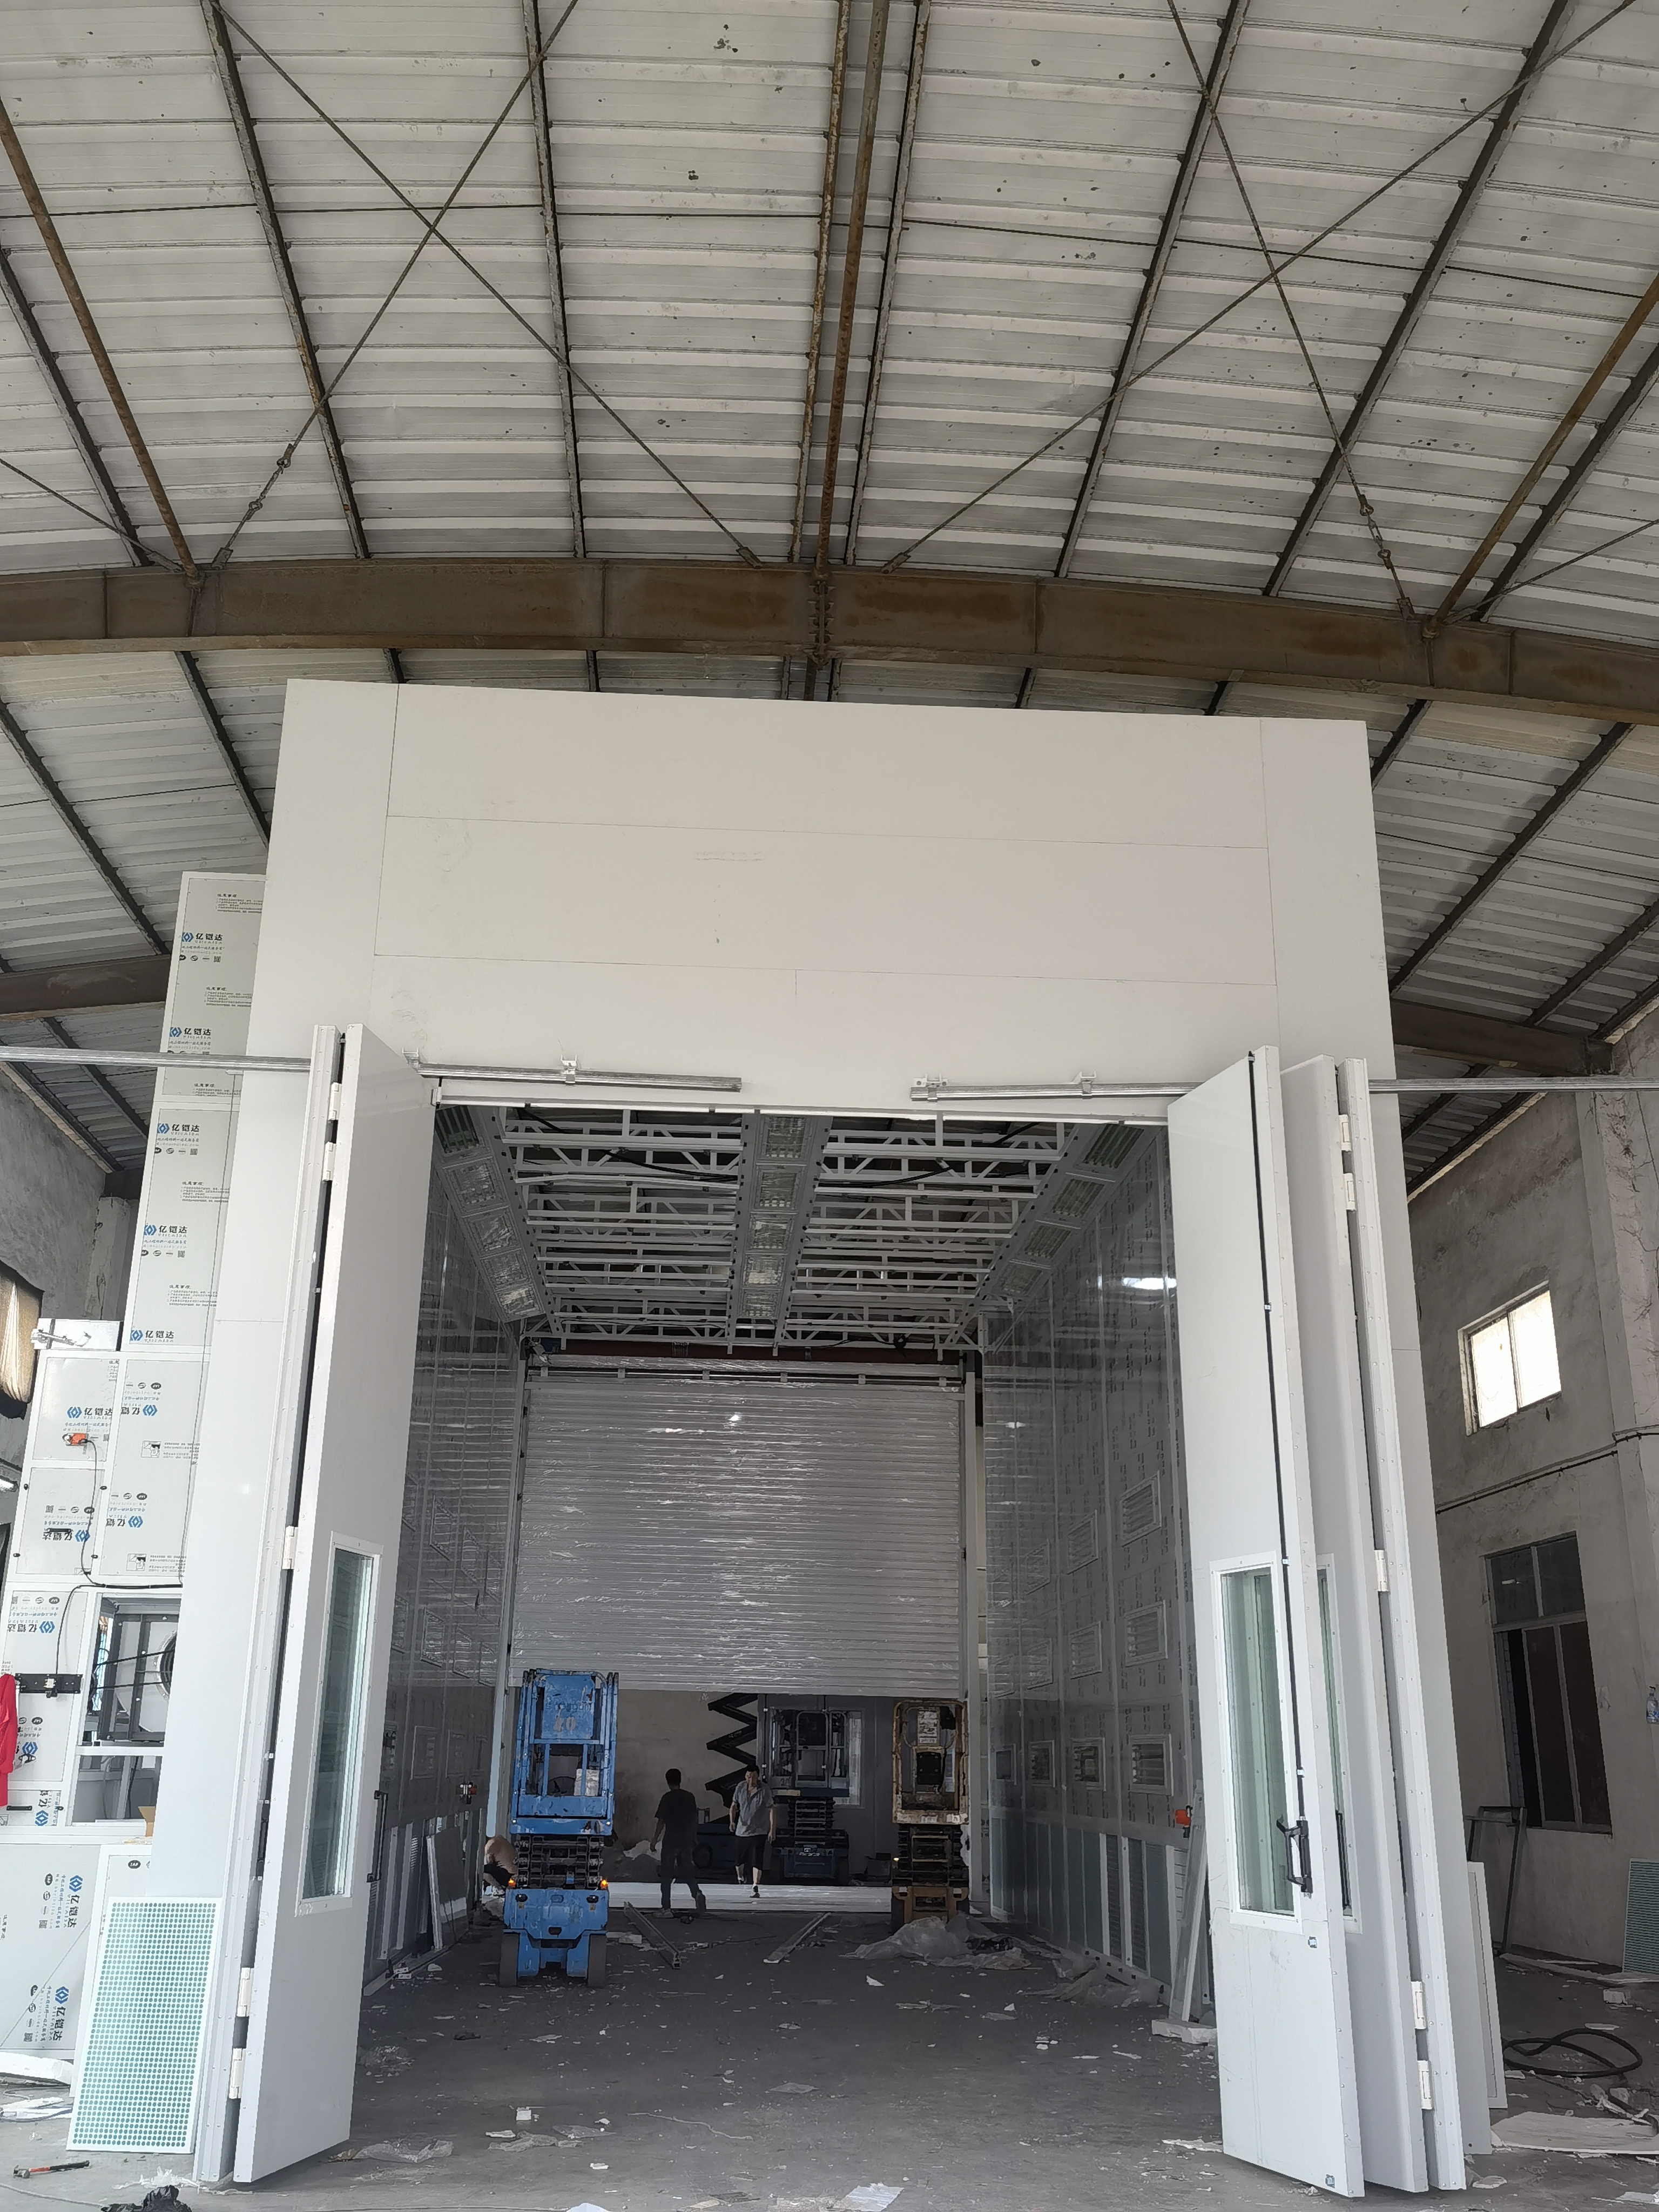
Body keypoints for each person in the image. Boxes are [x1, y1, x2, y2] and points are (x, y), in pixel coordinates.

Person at [652, 1768, 706, 1919]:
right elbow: (694, 1819)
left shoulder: (667, 1798)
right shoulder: (689, 1797)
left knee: (666, 1874)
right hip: (686, 1840)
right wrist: (693, 1837)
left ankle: (666, 1908)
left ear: (668, 1782)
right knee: (687, 1871)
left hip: (671, 1839)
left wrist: (654, 1840)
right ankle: (697, 1893)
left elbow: (661, 1821)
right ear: (680, 1780)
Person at [729, 1765, 775, 1898]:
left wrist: (772, 1829)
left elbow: (772, 1809)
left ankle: (755, 1886)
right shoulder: (740, 1787)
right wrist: (732, 1821)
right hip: (742, 1830)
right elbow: (734, 1805)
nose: (751, 1780)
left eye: (754, 1777)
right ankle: (740, 1877)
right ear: (745, 1776)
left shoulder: (764, 1790)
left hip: (759, 1831)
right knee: (739, 1861)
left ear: (758, 1777)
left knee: (757, 1859)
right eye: (749, 1777)